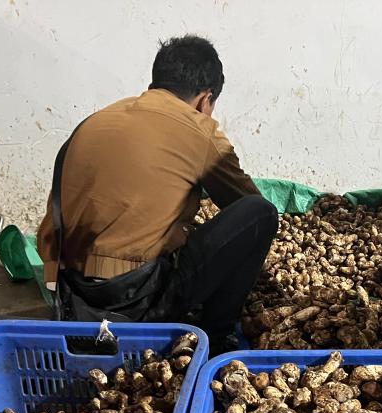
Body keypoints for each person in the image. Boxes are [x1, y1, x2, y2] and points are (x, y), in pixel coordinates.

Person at [37, 35, 278, 354]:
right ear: (205, 100)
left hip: (71, 291)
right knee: (261, 214)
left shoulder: (98, 119)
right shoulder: (199, 129)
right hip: (135, 299)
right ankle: (216, 338)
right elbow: (244, 202)